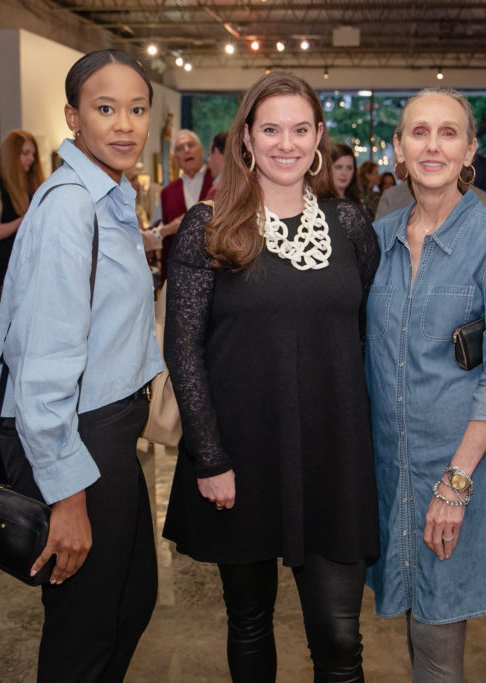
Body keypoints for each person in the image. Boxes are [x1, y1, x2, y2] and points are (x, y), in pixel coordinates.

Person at [162, 70, 380, 682]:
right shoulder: (208, 228)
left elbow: (363, 335)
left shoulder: (351, 228)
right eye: (271, 129)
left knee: (340, 642)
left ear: (318, 141)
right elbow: (184, 351)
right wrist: (209, 457)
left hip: (333, 456)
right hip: (243, 458)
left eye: (300, 129)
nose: (287, 143)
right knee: (250, 621)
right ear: (248, 140)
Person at [0, 49, 163, 681]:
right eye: (105, 108)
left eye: (136, 109)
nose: (124, 124)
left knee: (128, 602)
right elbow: (45, 362)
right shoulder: (69, 208)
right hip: (75, 435)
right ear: (73, 117)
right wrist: (66, 496)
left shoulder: (109, 198)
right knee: (86, 625)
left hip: (108, 429)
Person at [365, 87, 486, 682]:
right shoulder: (377, 239)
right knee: (415, 625)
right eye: (418, 132)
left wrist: (455, 484)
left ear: (470, 152)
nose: (432, 145)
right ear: (398, 149)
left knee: (438, 643)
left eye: (448, 133)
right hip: (393, 469)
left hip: (461, 468)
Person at [0, 129, 45, 287]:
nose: (31, 158)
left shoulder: (31, 187)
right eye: (25, 153)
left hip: (29, 265)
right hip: (4, 265)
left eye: (33, 154)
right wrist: (25, 219)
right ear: (11, 155)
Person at [147, 129, 214, 283]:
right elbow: (155, 229)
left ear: (202, 151)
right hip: (180, 274)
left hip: (216, 270)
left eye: (191, 145)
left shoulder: (218, 183)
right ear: (175, 159)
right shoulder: (167, 193)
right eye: (180, 148)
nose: (186, 151)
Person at [375, 162, 486, 219]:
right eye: (420, 133)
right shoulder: (392, 199)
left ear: (469, 150)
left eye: (448, 134)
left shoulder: (481, 201)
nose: (433, 146)